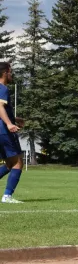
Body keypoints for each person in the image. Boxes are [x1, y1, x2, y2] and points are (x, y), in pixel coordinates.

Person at [0, 62, 25, 203]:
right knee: (17, 163)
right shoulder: (2, 88)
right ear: (5, 73)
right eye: (11, 72)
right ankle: (7, 196)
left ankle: (7, 195)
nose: (11, 75)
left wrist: (13, 118)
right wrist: (9, 124)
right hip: (4, 131)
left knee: (9, 164)